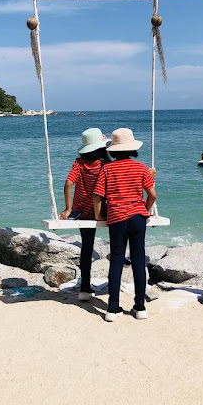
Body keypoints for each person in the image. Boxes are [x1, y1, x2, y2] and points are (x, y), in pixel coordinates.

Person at [93, 127, 156, 322]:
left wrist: (99, 216)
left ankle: (112, 308)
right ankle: (140, 307)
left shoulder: (107, 169)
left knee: (117, 260)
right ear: (132, 148)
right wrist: (144, 209)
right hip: (138, 218)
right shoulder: (141, 168)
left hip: (117, 219)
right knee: (138, 260)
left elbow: (97, 196)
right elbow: (152, 195)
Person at [59, 127, 109, 301]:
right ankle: (114, 283)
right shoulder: (105, 164)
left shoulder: (79, 163)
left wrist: (68, 209)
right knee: (118, 245)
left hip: (82, 212)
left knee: (86, 249)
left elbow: (68, 183)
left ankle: (85, 288)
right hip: (104, 211)